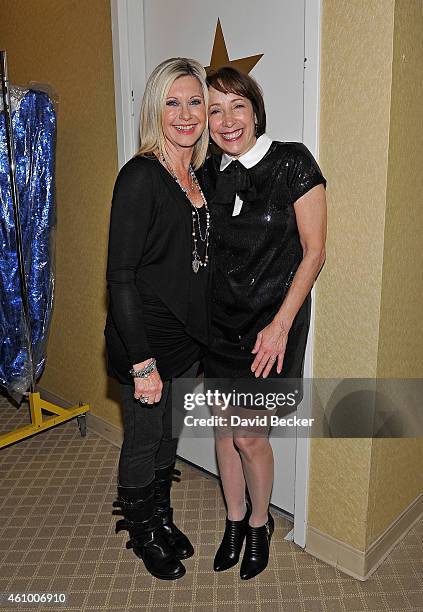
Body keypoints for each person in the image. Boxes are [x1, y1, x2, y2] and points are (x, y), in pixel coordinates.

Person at [199, 67, 327, 580]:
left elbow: (314, 251)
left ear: (255, 109)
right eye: (214, 109)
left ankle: (258, 522)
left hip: (272, 326)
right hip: (219, 325)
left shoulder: (293, 162)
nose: (227, 120)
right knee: (225, 429)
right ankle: (232, 520)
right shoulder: (206, 173)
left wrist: (280, 326)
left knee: (250, 437)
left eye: (237, 106)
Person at [105, 58, 210, 581]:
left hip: (186, 341)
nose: (185, 114)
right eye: (172, 102)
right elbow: (120, 278)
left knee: (170, 438)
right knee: (143, 443)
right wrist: (143, 363)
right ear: (154, 109)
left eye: (194, 101)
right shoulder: (140, 177)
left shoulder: (199, 174)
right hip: (143, 341)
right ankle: (142, 528)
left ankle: (161, 514)